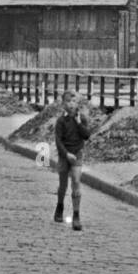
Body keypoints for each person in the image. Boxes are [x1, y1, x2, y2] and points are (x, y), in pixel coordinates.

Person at [53, 90, 91, 231]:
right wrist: (66, 154)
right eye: (68, 101)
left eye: (74, 102)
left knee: (76, 181)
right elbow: (58, 141)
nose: (71, 104)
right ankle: (60, 206)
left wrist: (79, 123)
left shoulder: (82, 118)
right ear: (63, 104)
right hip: (65, 156)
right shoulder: (61, 121)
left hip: (77, 154)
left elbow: (87, 135)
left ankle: (76, 215)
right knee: (63, 185)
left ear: (77, 104)